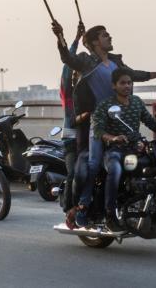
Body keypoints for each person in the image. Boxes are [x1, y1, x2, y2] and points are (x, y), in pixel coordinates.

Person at [51, 21, 156, 225]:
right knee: (92, 166)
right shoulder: (86, 62)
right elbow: (67, 58)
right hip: (98, 124)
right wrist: (61, 37)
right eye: (105, 35)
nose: (110, 37)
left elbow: (134, 75)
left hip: (122, 122)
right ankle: (84, 206)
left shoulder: (116, 62)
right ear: (94, 42)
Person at [87, 68, 156, 232]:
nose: (127, 86)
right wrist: (113, 138)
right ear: (114, 86)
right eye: (122, 83)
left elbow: (150, 122)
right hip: (115, 151)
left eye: (129, 83)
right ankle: (110, 215)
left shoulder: (137, 102)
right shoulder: (106, 106)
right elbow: (98, 130)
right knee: (115, 170)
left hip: (135, 150)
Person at [59, 23, 84, 212]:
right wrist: (74, 40)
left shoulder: (90, 94)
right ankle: (70, 209)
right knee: (74, 173)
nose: (77, 77)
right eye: (75, 75)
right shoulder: (68, 95)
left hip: (90, 139)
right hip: (71, 141)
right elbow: (67, 65)